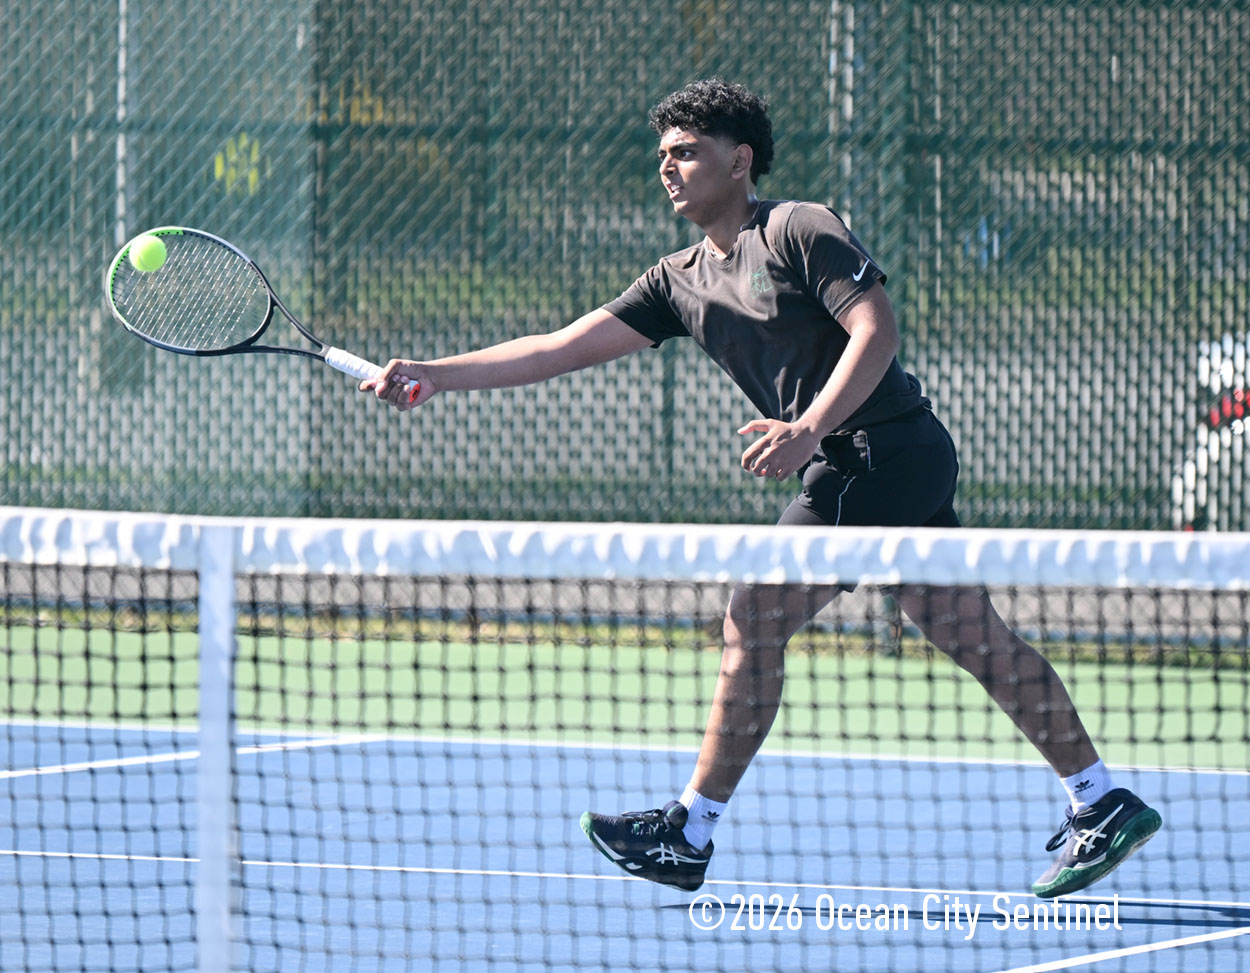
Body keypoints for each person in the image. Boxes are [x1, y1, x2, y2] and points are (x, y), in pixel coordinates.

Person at [362, 77, 1160, 899]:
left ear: (739, 161)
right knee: (969, 633)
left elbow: (877, 329)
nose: (668, 168)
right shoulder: (676, 280)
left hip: (876, 455)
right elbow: (558, 347)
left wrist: (809, 427)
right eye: (663, 154)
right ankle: (1100, 799)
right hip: (883, 461)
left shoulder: (797, 229)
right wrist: (435, 373)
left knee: (755, 615)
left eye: (687, 152)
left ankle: (689, 831)